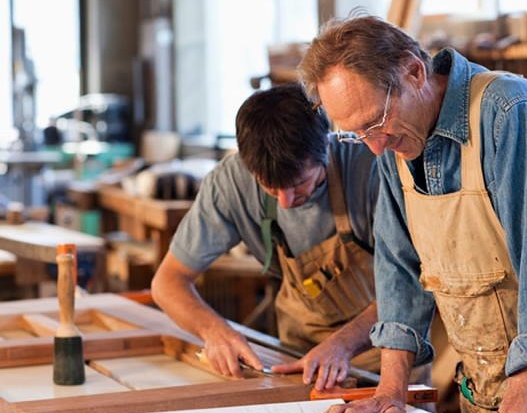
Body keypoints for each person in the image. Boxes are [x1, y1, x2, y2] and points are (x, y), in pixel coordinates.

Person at [296, 13, 527, 413]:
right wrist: (391, 391)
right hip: (485, 390)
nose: (374, 145)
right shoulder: (395, 142)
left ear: (414, 71)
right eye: (358, 135)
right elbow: (399, 274)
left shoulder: (509, 112)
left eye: (375, 123)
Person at [152, 83, 383, 390]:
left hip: (382, 353)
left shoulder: (372, 170)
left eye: (299, 184)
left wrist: (342, 345)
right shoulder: (230, 182)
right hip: (299, 358)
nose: (286, 202)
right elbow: (167, 283)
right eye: (271, 189)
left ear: (325, 147)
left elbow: (412, 288)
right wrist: (214, 331)